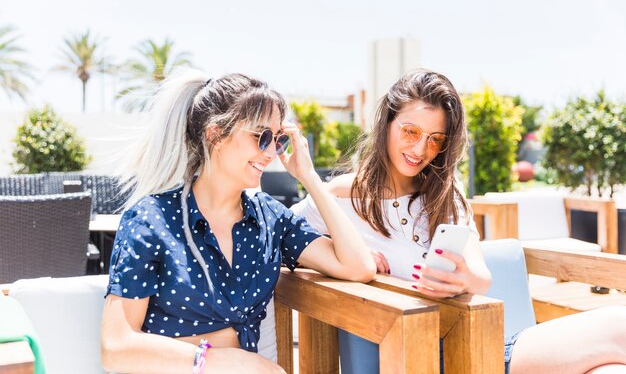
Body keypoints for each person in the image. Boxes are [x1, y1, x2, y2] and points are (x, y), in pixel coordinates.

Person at [291, 68, 626, 374]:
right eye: (410, 132)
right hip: (417, 357)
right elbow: (276, 238)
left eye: (435, 139)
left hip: (483, 346)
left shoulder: (445, 194)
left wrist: (465, 280)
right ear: (387, 125)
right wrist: (340, 256)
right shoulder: (336, 198)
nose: (421, 149)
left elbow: (481, 277)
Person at [100, 70, 376, 374]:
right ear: (215, 134)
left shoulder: (269, 219)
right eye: (262, 137)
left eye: (279, 140)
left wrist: (308, 176)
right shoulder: (152, 219)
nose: (271, 153)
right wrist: (222, 360)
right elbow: (117, 347)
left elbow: (358, 266)